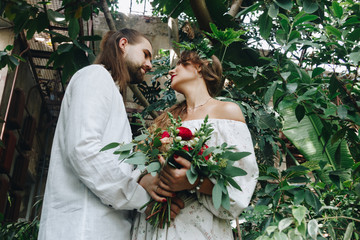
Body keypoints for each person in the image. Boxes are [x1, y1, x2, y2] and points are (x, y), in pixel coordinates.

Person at [38, 29, 180, 240]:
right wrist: (140, 197)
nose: (149, 65)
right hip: (83, 228)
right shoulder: (95, 77)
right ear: (123, 44)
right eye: (146, 54)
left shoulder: (111, 91)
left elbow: (112, 164)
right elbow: (84, 151)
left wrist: (144, 180)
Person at [131, 50, 259, 239]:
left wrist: (195, 182)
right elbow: (139, 166)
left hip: (197, 228)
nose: (171, 72)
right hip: (155, 225)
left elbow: (241, 184)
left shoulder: (227, 112)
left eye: (180, 64)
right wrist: (145, 180)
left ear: (199, 67)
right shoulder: (168, 118)